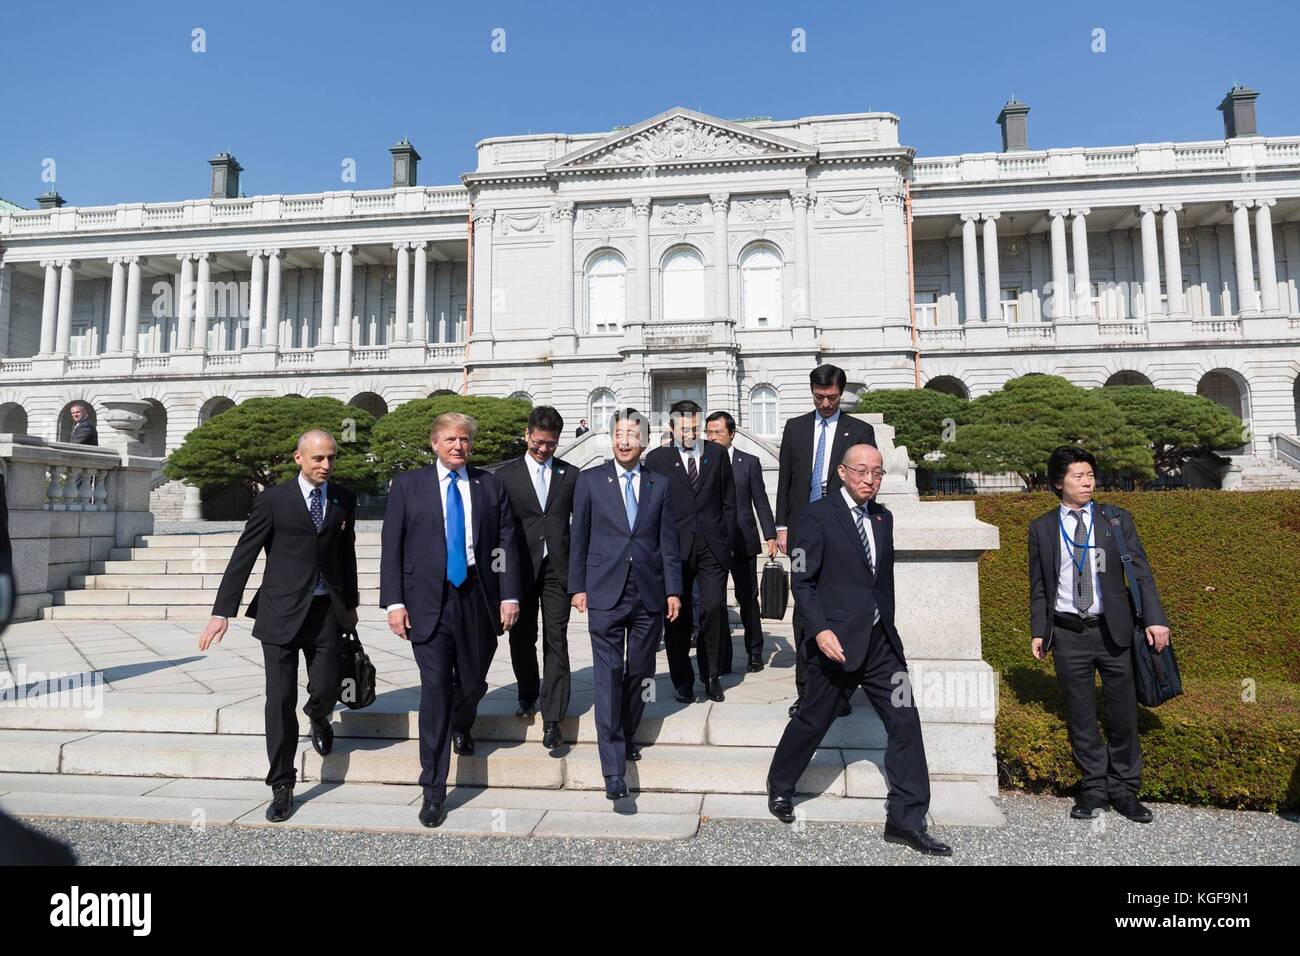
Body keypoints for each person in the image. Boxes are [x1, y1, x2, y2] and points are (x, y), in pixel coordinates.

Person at [766, 443, 950, 855]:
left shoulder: (883, 518)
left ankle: (906, 819)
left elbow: (881, 584)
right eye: (863, 471)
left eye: (878, 472)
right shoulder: (813, 517)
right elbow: (802, 581)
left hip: (882, 644)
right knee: (813, 720)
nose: (870, 479)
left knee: (905, 721)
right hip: (837, 643)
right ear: (842, 473)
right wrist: (819, 631)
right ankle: (780, 784)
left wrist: (887, 626)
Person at [200, 429, 360, 823]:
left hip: (325, 612)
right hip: (280, 614)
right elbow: (245, 554)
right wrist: (223, 611)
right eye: (318, 459)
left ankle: (319, 714)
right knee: (279, 700)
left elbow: (347, 554)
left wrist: (350, 607)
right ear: (298, 458)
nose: (326, 465)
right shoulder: (272, 500)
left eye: (331, 458)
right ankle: (282, 784)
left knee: (324, 687)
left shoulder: (343, 498)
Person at [380, 412, 521, 828]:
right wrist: (394, 603)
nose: (458, 446)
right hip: (427, 600)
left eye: (464, 440)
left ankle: (463, 721)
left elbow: (506, 541)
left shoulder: (489, 485)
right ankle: (434, 789)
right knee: (436, 688)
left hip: (477, 594)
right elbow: (392, 547)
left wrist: (509, 594)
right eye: (450, 439)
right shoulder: (408, 486)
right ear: (435, 443)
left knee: (474, 680)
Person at [1029, 445, 1170, 824]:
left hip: (1113, 631)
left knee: (1123, 712)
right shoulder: (1041, 527)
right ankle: (1093, 788)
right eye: (1078, 476)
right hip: (1067, 632)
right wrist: (1038, 631)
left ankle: (1125, 788)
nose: (1088, 481)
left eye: (1090, 475)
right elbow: (1040, 585)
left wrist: (1156, 620)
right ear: (1058, 482)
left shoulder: (1115, 520)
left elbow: (1141, 573)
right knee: (1081, 715)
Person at [569, 408, 682, 801]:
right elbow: (578, 538)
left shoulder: (660, 485)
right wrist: (577, 587)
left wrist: (674, 590)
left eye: (633, 433)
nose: (624, 440)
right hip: (603, 590)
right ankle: (613, 769)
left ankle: (629, 730)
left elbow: (669, 542)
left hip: (649, 592)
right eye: (619, 432)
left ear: (645, 441)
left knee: (640, 672)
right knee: (608, 673)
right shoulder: (589, 482)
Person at [774, 364, 875, 716]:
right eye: (819, 397)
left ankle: (839, 692)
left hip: (845, 532)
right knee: (805, 609)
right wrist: (781, 527)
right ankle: (807, 692)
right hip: (804, 532)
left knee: (842, 609)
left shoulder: (860, 430)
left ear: (841, 393)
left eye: (831, 397)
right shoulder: (796, 427)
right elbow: (785, 479)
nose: (826, 403)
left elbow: (869, 480)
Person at [498, 405, 578, 749]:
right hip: (519, 568)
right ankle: (528, 693)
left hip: (558, 569)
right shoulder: (504, 476)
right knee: (522, 638)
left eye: (551, 444)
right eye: (539, 442)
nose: (544, 449)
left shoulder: (571, 475)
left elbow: (583, 526)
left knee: (556, 639)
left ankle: (554, 717)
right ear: (527, 435)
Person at [645, 400, 736, 703]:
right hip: (674, 550)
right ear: (671, 428)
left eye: (695, 428)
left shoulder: (717, 454)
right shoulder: (657, 459)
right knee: (677, 617)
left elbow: (728, 501)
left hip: (712, 547)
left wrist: (725, 538)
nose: (691, 433)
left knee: (712, 609)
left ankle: (710, 675)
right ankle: (681, 679)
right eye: (684, 429)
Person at [704, 410, 777, 673]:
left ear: (731, 434)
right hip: (712, 544)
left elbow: (761, 501)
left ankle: (755, 651)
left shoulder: (749, 462)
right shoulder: (699, 462)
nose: (711, 438)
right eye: (708, 433)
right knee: (715, 602)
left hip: (744, 540)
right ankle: (722, 657)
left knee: (748, 598)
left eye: (717, 433)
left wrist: (770, 534)